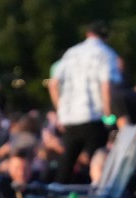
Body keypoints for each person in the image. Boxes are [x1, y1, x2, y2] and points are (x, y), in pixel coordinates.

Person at [49, 21, 118, 184]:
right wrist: (109, 116)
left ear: (88, 34)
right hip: (93, 117)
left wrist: (61, 111)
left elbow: (53, 84)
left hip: (70, 118)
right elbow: (106, 86)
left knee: (66, 163)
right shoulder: (106, 54)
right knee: (95, 163)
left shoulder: (71, 53)